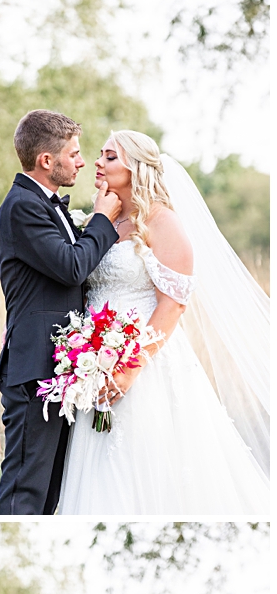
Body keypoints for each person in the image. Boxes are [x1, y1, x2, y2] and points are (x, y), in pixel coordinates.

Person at [56, 130, 270, 513]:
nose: (97, 164)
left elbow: (173, 305)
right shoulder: (105, 219)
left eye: (109, 157)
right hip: (95, 361)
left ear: (135, 167)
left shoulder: (162, 221)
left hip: (145, 362)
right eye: (100, 156)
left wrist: (129, 369)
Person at [0, 110, 121, 514]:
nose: (82, 162)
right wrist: (102, 219)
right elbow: (71, 265)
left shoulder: (44, 204)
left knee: (49, 494)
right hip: (35, 368)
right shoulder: (22, 206)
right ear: (47, 161)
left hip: (60, 368)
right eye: (75, 153)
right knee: (25, 488)